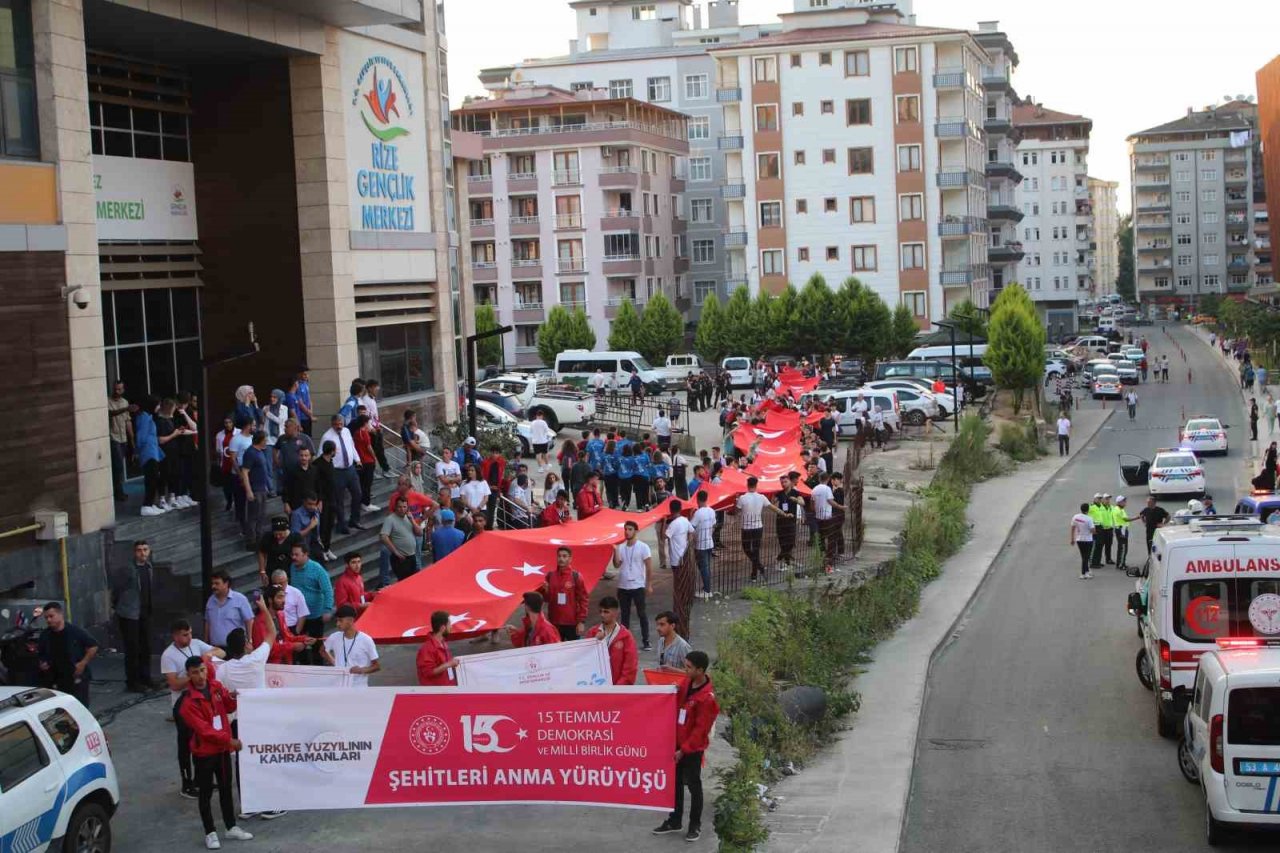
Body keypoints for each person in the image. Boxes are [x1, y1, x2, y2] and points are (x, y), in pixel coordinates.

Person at [178, 656, 254, 849]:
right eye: (195, 672)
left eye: (202, 670)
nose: (200, 676)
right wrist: (229, 740)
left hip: (221, 751)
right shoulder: (187, 703)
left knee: (226, 788)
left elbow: (228, 707)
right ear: (189, 675)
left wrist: (233, 697)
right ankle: (210, 832)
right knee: (205, 793)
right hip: (204, 754)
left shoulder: (216, 687)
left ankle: (230, 827)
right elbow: (204, 730)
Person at [652, 650, 719, 843]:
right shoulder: (687, 683)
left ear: (700, 670)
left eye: (688, 667)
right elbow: (677, 701)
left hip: (692, 749)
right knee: (675, 784)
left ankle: (694, 825)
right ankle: (675, 820)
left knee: (693, 785)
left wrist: (684, 750)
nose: (685, 670)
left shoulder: (707, 699)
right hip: (679, 742)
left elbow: (700, 730)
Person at [161, 619, 224, 798]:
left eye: (189, 633)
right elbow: (173, 684)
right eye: (184, 635)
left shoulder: (196, 644)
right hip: (182, 704)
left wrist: (206, 657)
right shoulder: (168, 655)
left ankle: (201, 778)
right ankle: (186, 782)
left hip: (200, 702)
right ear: (175, 636)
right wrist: (194, 675)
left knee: (201, 742)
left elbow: (221, 651)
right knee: (185, 745)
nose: (189, 637)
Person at [112, 539, 156, 693]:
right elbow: (117, 589)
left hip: (144, 613)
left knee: (146, 647)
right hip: (129, 614)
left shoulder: (149, 567)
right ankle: (133, 681)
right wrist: (118, 606)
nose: (142, 553)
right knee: (132, 648)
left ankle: (146, 678)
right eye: (139, 550)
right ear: (134, 552)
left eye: (145, 549)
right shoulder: (128, 569)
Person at [37, 601, 98, 706]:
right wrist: (43, 663)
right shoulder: (45, 635)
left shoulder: (75, 631)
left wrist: (82, 663)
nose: (48, 620)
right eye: (46, 618)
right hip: (56, 678)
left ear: (60, 614)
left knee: (79, 706)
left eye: (51, 616)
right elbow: (41, 653)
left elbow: (93, 646)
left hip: (75, 677)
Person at [321, 413, 365, 535]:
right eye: (336, 425)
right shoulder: (327, 437)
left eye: (341, 424)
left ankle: (354, 519)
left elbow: (351, 446)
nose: (339, 426)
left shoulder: (346, 431)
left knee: (358, 494)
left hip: (350, 469)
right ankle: (342, 524)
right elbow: (322, 454)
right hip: (336, 471)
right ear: (332, 424)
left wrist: (358, 459)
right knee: (338, 500)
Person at [289, 542, 334, 661]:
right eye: (292, 555)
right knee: (300, 645)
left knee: (316, 646)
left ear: (305, 554)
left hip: (315, 614)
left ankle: (318, 670)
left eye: (297, 555)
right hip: (299, 616)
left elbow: (328, 590)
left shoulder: (317, 569)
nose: (293, 557)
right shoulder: (292, 567)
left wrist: (328, 609)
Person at [613, 521, 654, 651]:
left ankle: (646, 640)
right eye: (625, 529)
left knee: (642, 613)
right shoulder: (621, 547)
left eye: (630, 529)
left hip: (638, 585)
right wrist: (615, 551)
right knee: (625, 615)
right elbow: (616, 565)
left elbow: (648, 567)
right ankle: (625, 640)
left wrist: (649, 585)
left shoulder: (643, 547)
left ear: (636, 531)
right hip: (623, 586)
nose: (627, 532)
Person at [320, 604, 380, 686]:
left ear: (351, 620)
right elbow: (322, 651)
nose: (337, 624)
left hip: (359, 687)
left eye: (340, 621)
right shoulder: (334, 637)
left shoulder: (366, 640)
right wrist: (335, 664)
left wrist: (361, 670)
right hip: (339, 684)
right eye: (337, 621)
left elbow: (376, 666)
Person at [252, 584, 313, 664]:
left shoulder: (280, 615)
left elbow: (288, 637)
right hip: (270, 667)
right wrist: (293, 646)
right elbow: (267, 650)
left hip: (286, 663)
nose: (283, 600)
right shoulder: (259, 621)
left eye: (284, 597)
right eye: (279, 597)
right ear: (270, 600)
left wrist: (304, 639)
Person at [587, 596, 638, 685]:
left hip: (618, 688)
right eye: (601, 611)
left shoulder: (625, 636)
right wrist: (594, 641)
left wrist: (619, 687)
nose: (602, 615)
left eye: (606, 612)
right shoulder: (592, 632)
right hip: (596, 685)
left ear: (616, 612)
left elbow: (630, 666)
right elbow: (584, 658)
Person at [542, 546, 589, 641]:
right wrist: (546, 591)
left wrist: (581, 622)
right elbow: (547, 599)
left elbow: (583, 600)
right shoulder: (550, 576)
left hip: (572, 623)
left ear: (570, 559)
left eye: (564, 556)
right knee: (556, 652)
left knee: (574, 653)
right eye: (559, 556)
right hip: (554, 622)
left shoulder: (576, 576)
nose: (561, 559)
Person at [204, 570, 254, 649]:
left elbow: (249, 620)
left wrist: (249, 641)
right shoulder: (210, 601)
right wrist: (206, 643)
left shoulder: (240, 599)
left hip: (235, 649)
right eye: (212, 583)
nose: (213, 586)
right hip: (215, 649)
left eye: (217, 583)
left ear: (226, 583)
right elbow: (208, 622)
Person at [381, 495, 422, 581]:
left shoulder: (409, 518)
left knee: (412, 581)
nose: (402, 509)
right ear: (395, 507)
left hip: (412, 556)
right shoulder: (390, 519)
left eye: (404, 507)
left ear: (407, 507)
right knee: (404, 581)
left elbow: (420, 533)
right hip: (400, 558)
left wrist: (412, 521)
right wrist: (395, 552)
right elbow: (384, 536)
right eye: (399, 507)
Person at [416, 610, 459, 685]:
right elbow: (428, 672)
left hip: (448, 688)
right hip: (437, 693)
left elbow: (445, 664)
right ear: (442, 628)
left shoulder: (443, 643)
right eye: (449, 624)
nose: (451, 627)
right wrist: (449, 664)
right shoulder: (427, 649)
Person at [257, 516, 302, 587]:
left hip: (290, 570)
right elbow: (262, 552)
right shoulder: (268, 537)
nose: (278, 536)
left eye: (280, 534)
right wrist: (262, 571)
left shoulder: (295, 537)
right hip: (272, 570)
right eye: (276, 534)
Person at [108, 380, 133, 502]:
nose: (117, 391)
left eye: (120, 389)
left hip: (123, 438)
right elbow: (110, 413)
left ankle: (118, 490)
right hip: (113, 437)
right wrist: (126, 409)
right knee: (117, 466)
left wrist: (131, 438)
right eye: (115, 389)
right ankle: (118, 492)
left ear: (123, 390)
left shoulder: (125, 402)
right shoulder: (108, 401)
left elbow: (127, 421)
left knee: (120, 466)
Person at [773, 473, 803, 567]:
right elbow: (772, 503)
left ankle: (779, 558)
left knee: (790, 542)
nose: (783, 484)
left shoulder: (795, 492)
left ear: (790, 482)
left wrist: (796, 500)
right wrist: (773, 499)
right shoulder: (779, 493)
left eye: (785, 482)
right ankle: (788, 561)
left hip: (791, 520)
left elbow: (802, 502)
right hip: (781, 520)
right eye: (782, 482)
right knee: (782, 541)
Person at [691, 490, 717, 599]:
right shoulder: (711, 511)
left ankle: (707, 590)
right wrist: (709, 534)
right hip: (709, 542)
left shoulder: (698, 513)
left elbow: (691, 527)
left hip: (700, 544)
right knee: (705, 567)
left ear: (697, 499)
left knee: (703, 567)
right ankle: (706, 587)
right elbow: (714, 525)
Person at [1070, 502, 1095, 579]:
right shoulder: (1089, 519)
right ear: (1088, 510)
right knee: (1086, 557)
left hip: (1079, 539)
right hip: (1088, 540)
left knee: (1084, 556)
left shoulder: (1075, 517)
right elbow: (1093, 530)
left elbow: (1073, 528)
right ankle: (1083, 573)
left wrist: (1072, 539)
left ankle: (1087, 571)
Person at [1112, 496, 1132, 571]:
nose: (1125, 503)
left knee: (1122, 547)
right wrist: (1137, 517)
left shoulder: (1120, 509)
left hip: (1122, 529)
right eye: (1124, 501)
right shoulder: (1118, 510)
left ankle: (1121, 563)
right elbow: (1125, 519)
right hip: (1121, 529)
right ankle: (1121, 564)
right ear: (1119, 502)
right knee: (1123, 547)